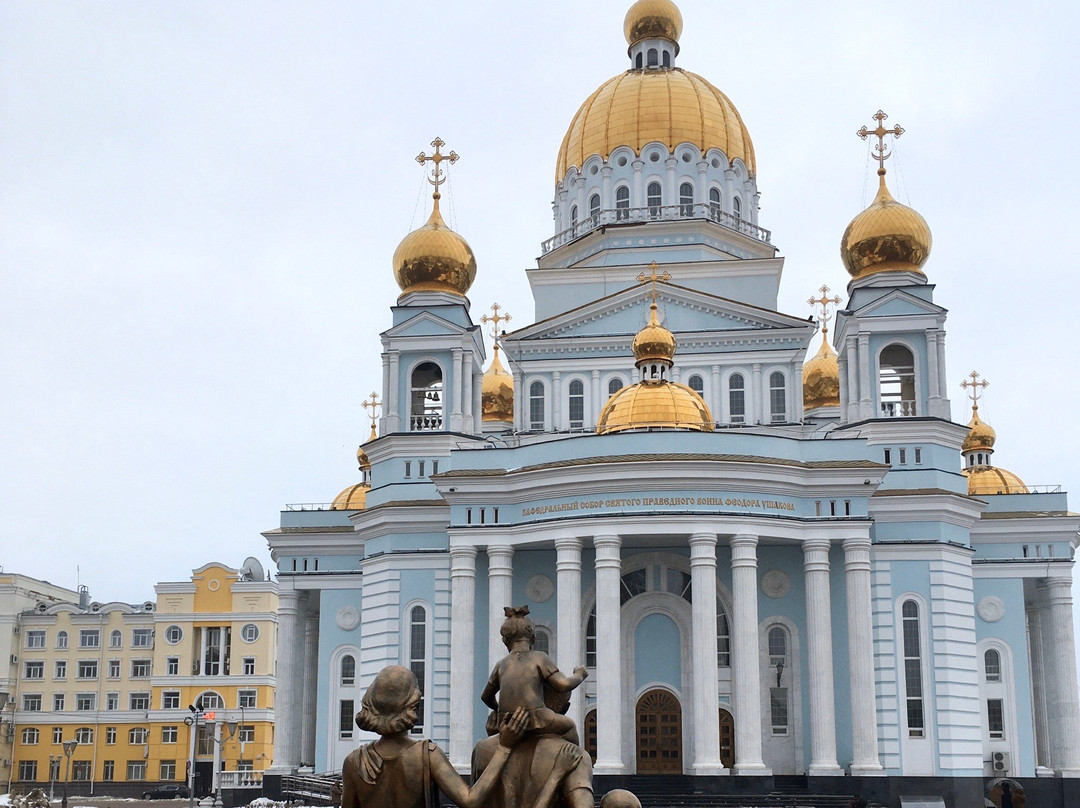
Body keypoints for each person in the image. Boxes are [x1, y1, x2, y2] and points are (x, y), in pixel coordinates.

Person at [341, 665, 528, 808]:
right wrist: (504, 747)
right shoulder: (427, 755)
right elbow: (470, 801)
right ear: (414, 706)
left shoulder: (354, 761)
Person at [481, 606, 587, 737]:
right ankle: (574, 757)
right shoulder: (539, 657)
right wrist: (579, 674)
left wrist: (499, 710)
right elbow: (563, 685)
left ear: (505, 641)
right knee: (570, 727)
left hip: (507, 721)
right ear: (533, 638)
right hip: (537, 719)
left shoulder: (501, 664)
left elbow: (485, 697)